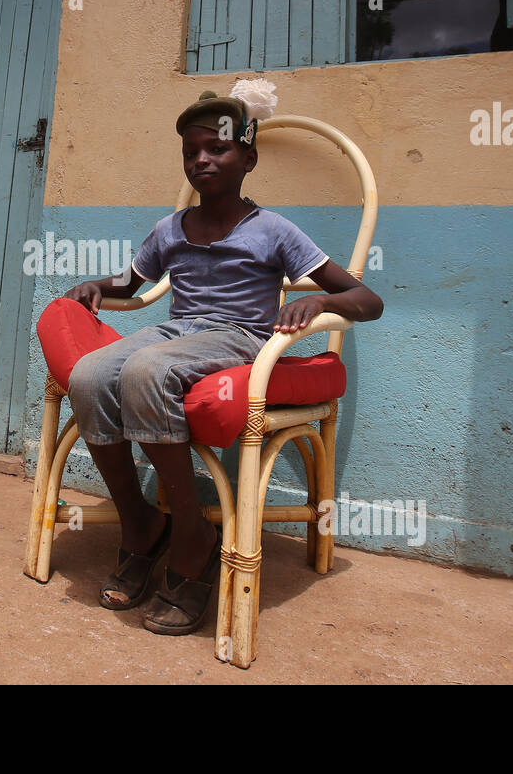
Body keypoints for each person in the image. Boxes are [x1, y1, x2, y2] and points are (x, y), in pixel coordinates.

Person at [62, 81, 384, 635]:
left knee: (148, 369)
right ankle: (141, 523)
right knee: (90, 375)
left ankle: (192, 534)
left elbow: (367, 300)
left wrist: (319, 298)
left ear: (249, 158)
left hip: (240, 336)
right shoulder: (171, 229)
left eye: (219, 148)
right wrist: (99, 283)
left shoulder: (273, 229)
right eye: (192, 151)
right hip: (177, 328)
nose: (203, 159)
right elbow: (133, 281)